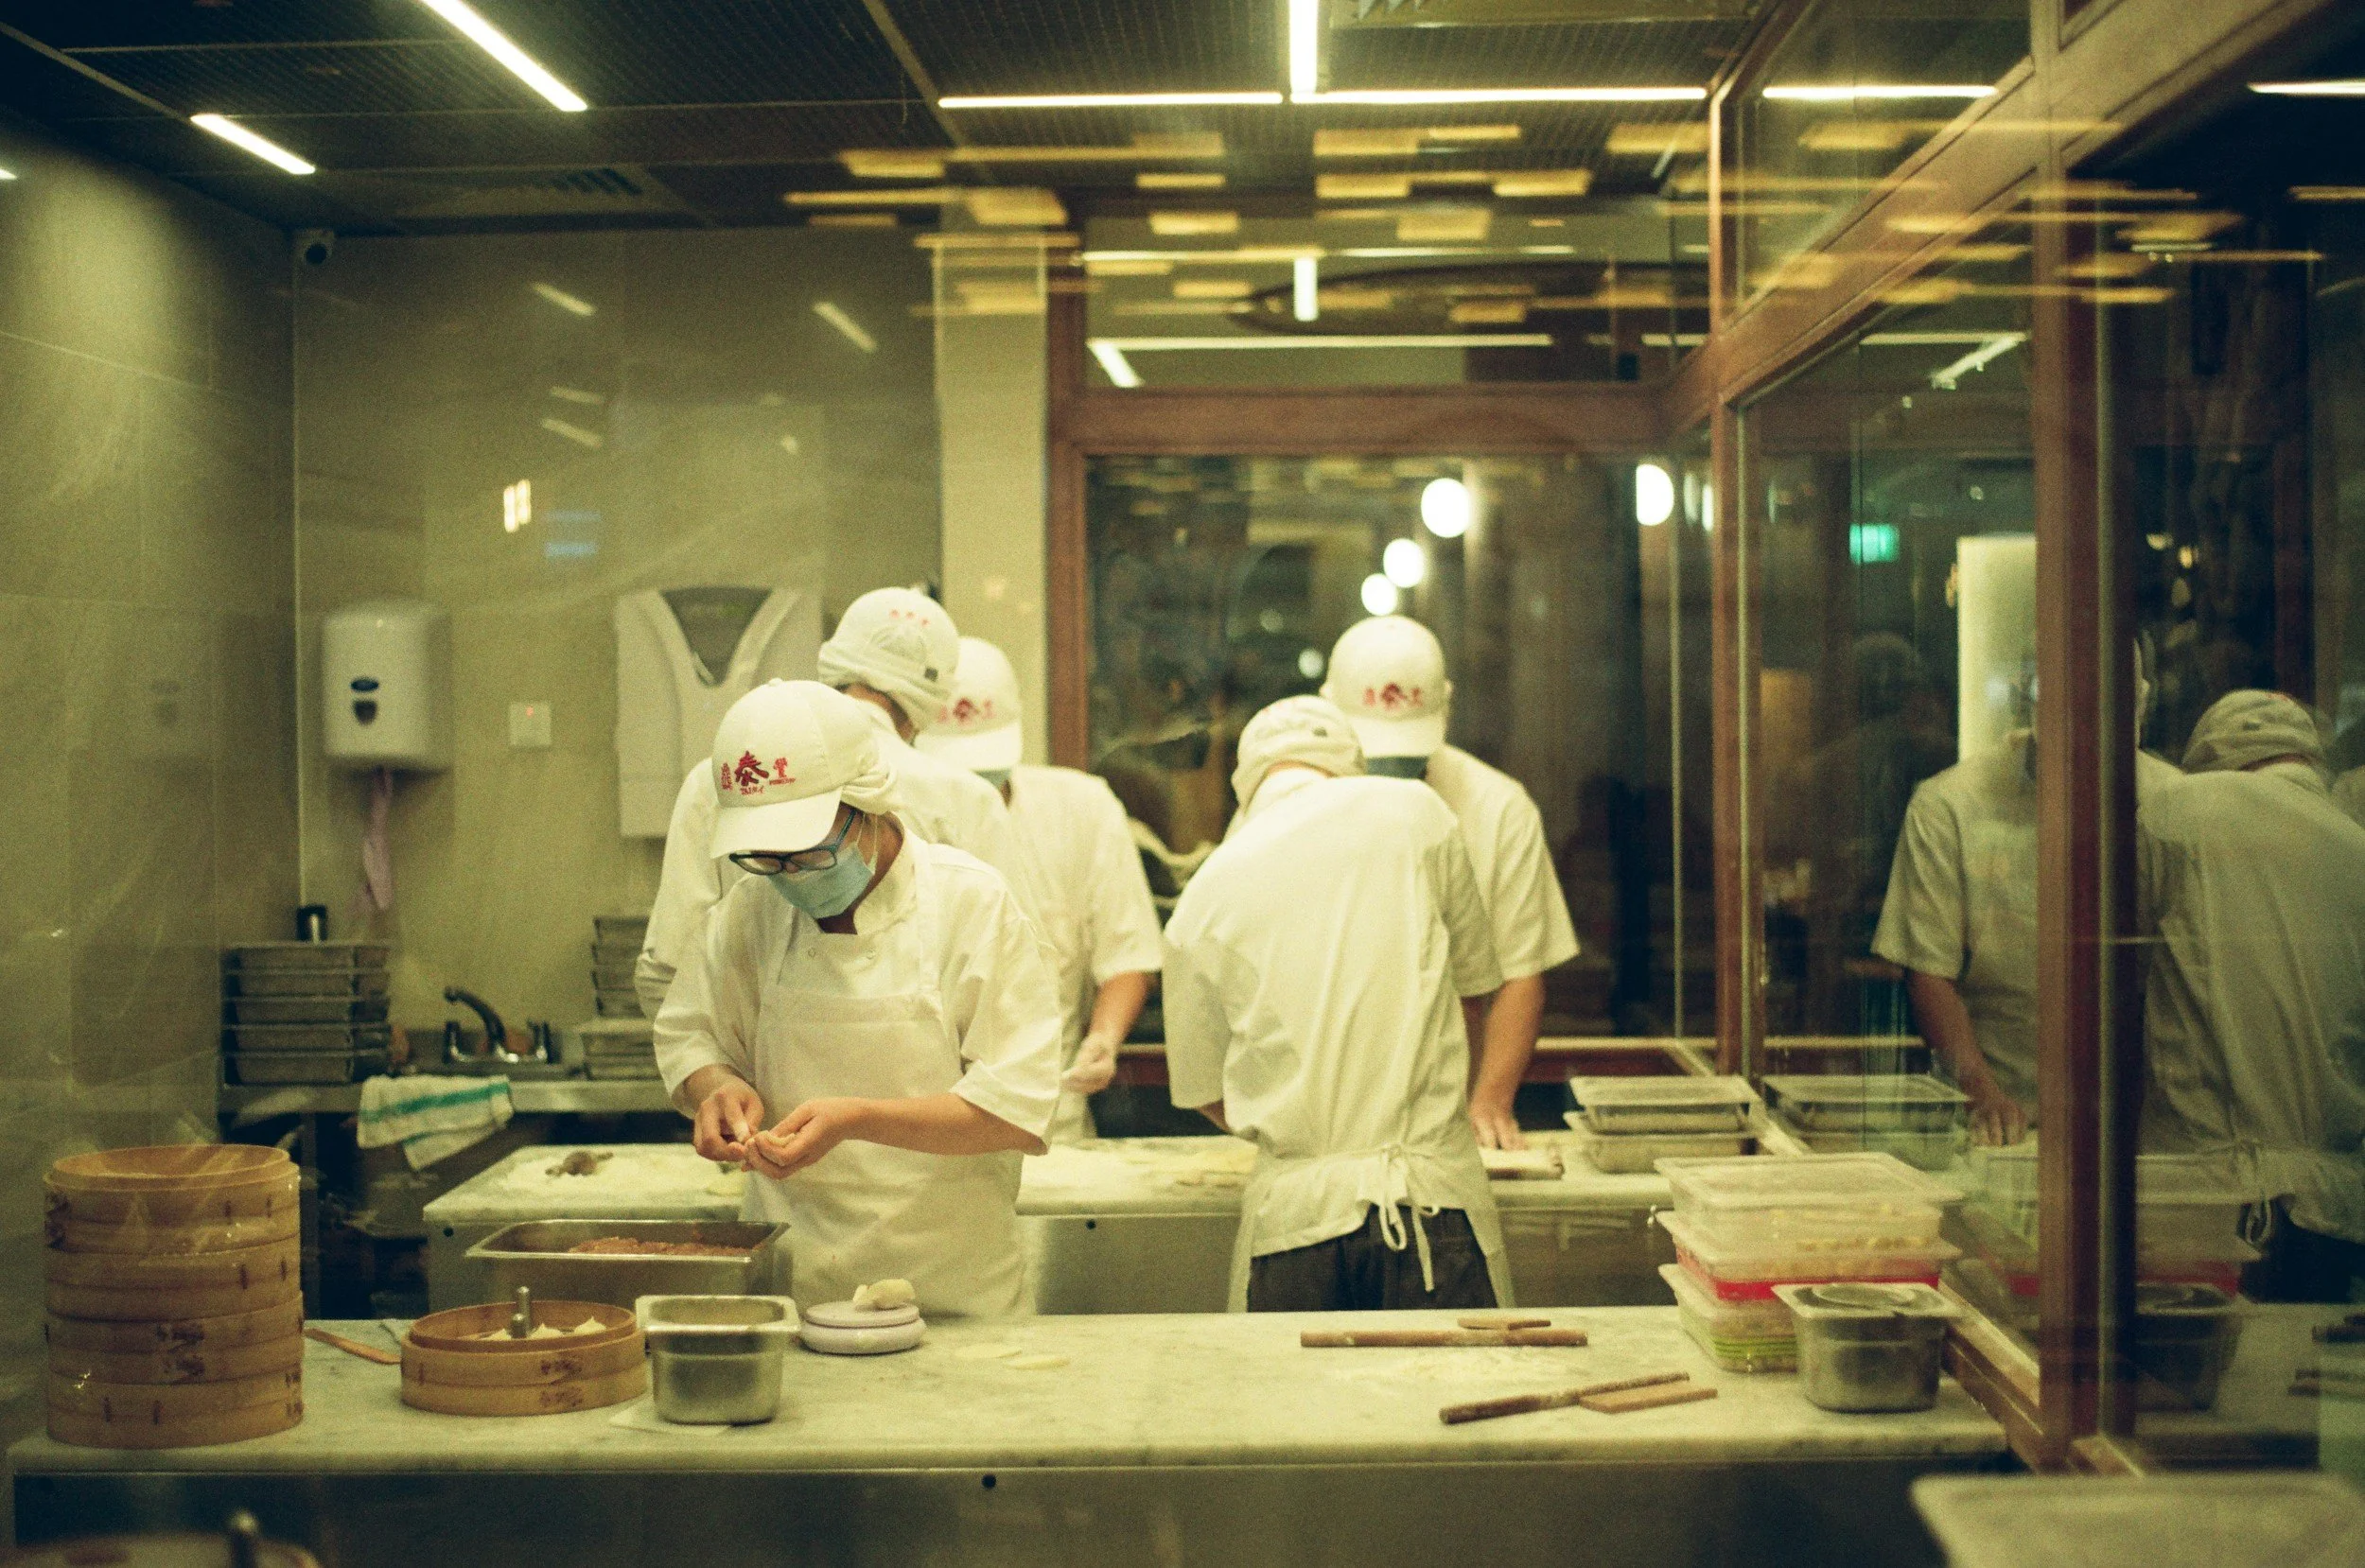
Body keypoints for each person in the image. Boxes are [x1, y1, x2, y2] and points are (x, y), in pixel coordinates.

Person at [652, 681, 1063, 1316]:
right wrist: (715, 1088)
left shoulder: (970, 905)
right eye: (765, 858)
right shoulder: (748, 913)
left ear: (867, 802)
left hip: (955, 1294)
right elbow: (688, 1035)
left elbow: (1015, 1107)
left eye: (808, 850)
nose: (788, 874)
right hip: (794, 1292)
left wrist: (856, 1121)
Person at [1164, 696, 1509, 1313]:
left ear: (1247, 790)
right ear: (1350, 768)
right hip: (1430, 1205)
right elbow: (1474, 997)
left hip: (1294, 1229)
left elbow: (1207, 1092)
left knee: (1298, 1413)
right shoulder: (1417, 814)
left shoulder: (1203, 895)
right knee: (1457, 1398)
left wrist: (1309, 1125)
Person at [636, 587, 1040, 1017]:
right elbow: (1018, 980)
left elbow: (671, 973)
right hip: (927, 1079)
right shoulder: (965, 800)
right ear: (932, 700)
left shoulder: (714, 778)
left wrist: (713, 1073)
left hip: (752, 1079)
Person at [1872, 657, 2176, 1145]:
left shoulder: (2175, 805)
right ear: (2032, 707)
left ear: (2138, 711)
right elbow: (1930, 972)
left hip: (2147, 1125)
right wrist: (1983, 1096)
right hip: (2003, 1118)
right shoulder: (1949, 805)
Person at [2138, 689, 2365, 1301]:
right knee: (2284, 1386)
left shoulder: (2175, 811)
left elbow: (2109, 969)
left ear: (2213, 759)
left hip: (2205, 1199)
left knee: (2204, 1385)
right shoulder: (2357, 847)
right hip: (2333, 1210)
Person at [1318, 616, 1577, 1150]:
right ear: (1326, 711)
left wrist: (1489, 1101)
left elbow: (1518, 973)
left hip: (1447, 1108)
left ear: (1446, 708)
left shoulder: (1499, 809)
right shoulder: (1287, 804)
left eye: (1405, 754)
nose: (1390, 770)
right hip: (1318, 1102)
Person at [920, 636, 1163, 1141]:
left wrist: (1103, 1039)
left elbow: (1128, 952)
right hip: (919, 1126)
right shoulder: (889, 818)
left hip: (1053, 1126)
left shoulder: (1081, 807)